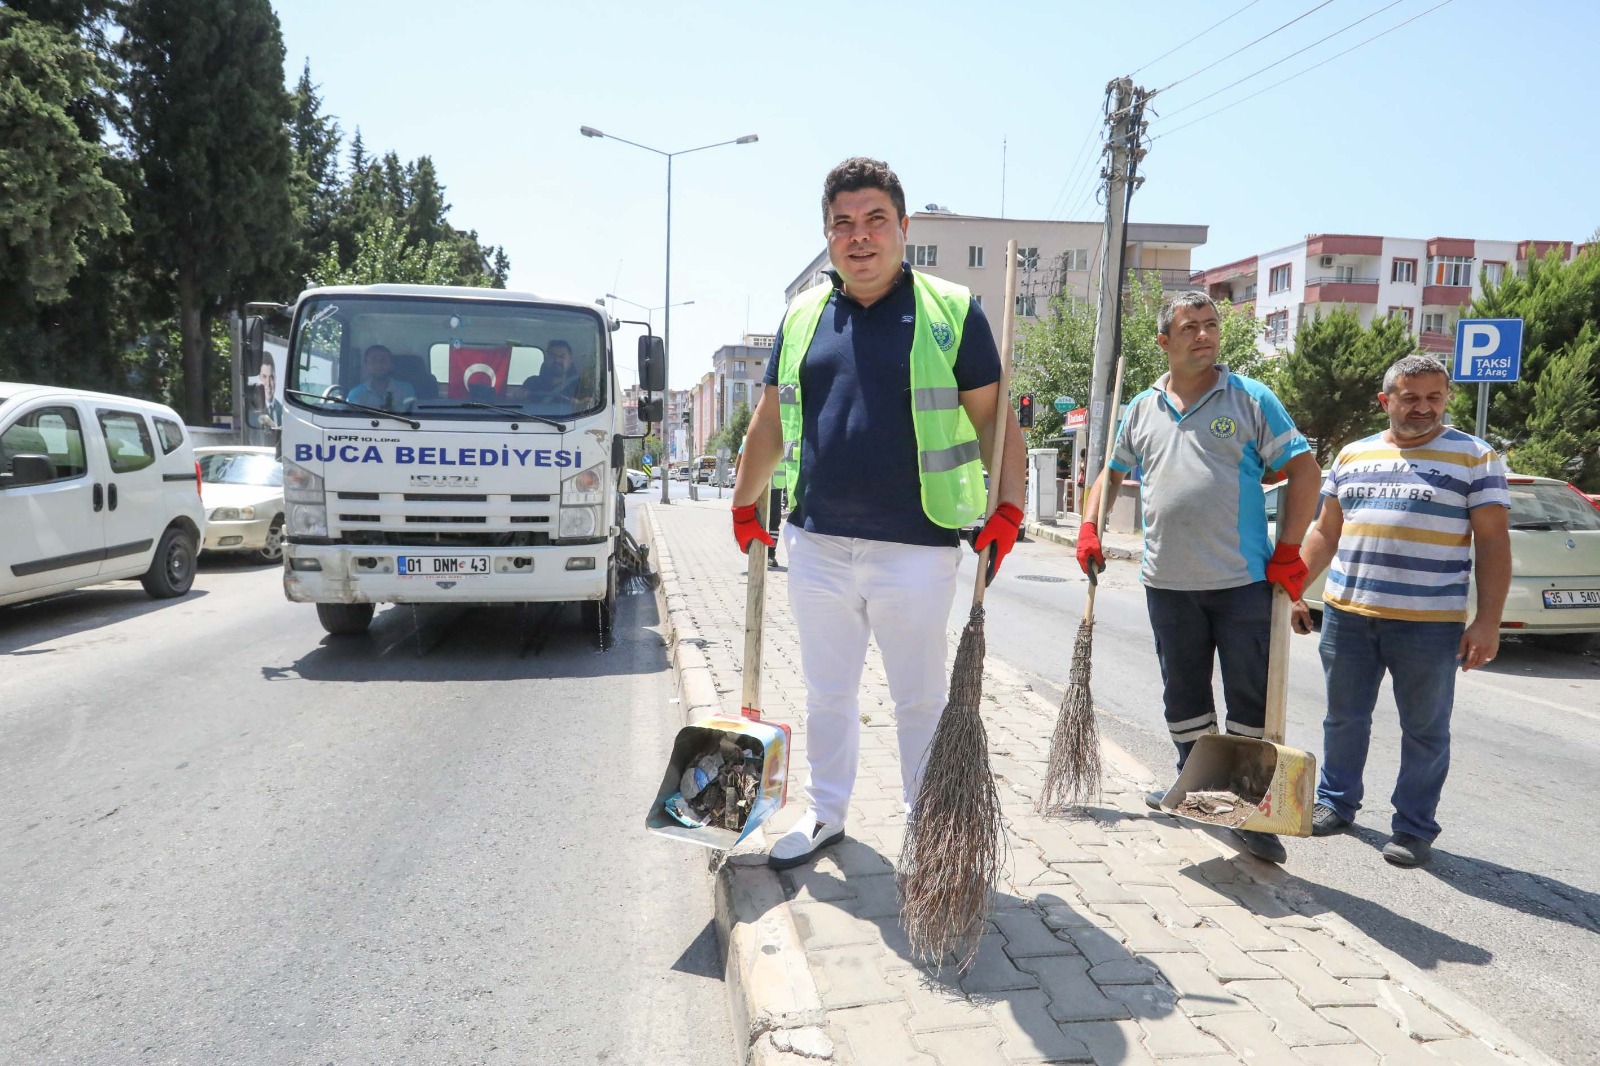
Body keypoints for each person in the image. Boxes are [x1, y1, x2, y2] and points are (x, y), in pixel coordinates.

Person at [731, 157, 1027, 870]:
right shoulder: (803, 317)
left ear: (902, 228)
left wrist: (1009, 508)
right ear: (827, 235)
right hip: (818, 543)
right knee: (827, 692)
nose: (858, 237)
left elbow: (997, 428)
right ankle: (825, 810)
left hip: (915, 548)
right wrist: (746, 504)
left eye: (874, 221)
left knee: (919, 699)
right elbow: (770, 423)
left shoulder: (951, 311)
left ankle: (924, 823)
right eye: (842, 224)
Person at [1076, 290, 1320, 865]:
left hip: (1240, 582)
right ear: (1164, 340)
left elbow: (1304, 474)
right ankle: (1197, 789)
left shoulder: (1250, 399)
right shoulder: (1141, 408)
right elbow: (1108, 478)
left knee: (1249, 702)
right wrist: (1090, 528)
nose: (1205, 335)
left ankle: (1251, 814)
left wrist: (1289, 552)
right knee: (1183, 698)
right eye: (1191, 327)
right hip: (1167, 584)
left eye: (1211, 325)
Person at [1291, 355, 1510, 868]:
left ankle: (1413, 828)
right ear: (1385, 401)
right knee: (1344, 718)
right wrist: (1293, 589)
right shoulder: (1352, 455)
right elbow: (1325, 531)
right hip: (1348, 613)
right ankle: (1336, 802)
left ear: (1447, 399)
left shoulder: (1476, 458)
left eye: (1435, 397)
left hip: (1429, 623)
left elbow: (1494, 542)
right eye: (1410, 397)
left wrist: (1488, 620)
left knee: (1426, 729)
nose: (1424, 408)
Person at [346, 345, 416, 411]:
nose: (378, 364)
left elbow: (411, 415)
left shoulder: (406, 389)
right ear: (366, 365)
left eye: (383, 360)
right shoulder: (356, 393)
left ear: (392, 365)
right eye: (373, 360)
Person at [518, 340, 583, 402]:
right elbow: (520, 404)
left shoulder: (578, 386)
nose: (557, 360)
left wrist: (580, 404)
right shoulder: (532, 382)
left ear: (570, 361)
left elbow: (586, 405)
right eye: (552, 356)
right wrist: (519, 396)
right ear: (546, 360)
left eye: (562, 357)